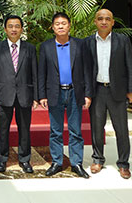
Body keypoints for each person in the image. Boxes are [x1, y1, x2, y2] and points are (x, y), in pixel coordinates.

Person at [38, 12, 92, 179]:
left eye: (63, 23)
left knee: (75, 130)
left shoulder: (80, 45)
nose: (60, 26)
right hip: (55, 93)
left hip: (75, 92)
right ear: (52, 27)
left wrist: (88, 94)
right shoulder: (46, 47)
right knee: (56, 131)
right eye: (57, 24)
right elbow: (41, 73)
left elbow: (87, 71)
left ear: (69, 26)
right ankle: (57, 162)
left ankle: (76, 163)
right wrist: (42, 95)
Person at [85, 9, 132, 179]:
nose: (104, 22)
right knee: (96, 128)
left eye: (107, 19)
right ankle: (97, 159)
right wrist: (87, 93)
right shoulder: (88, 42)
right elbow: (85, 70)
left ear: (113, 22)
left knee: (121, 129)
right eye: (100, 19)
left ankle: (123, 163)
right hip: (97, 91)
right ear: (95, 21)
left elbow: (130, 65)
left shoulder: (122, 40)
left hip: (118, 91)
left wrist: (131, 90)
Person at [0, 15, 38, 173]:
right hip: (4, 94)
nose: (14, 29)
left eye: (17, 26)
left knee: (25, 129)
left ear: (22, 29)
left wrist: (36, 96)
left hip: (25, 94)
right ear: (5, 29)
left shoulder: (29, 48)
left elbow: (35, 73)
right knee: (2, 130)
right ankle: (2, 159)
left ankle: (25, 159)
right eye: (10, 26)